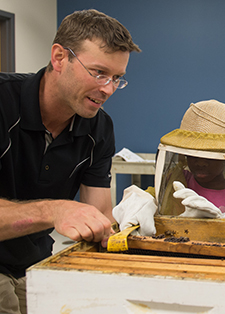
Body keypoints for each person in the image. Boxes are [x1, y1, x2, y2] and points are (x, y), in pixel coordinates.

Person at [0, 9, 140, 314]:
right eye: (98, 72)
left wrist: (131, 228)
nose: (108, 89)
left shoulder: (100, 129)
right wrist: (55, 209)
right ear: (59, 57)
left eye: (117, 78)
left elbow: (99, 213)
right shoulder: (3, 104)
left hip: (34, 260)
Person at [113, 99, 225, 236]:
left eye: (210, 154)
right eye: (194, 152)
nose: (201, 162)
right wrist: (139, 201)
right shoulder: (176, 181)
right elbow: (154, 196)